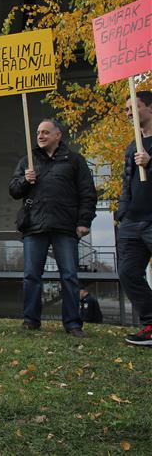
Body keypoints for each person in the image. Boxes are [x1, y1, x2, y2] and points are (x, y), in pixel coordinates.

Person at [9, 119, 97, 337]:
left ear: (58, 135)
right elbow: (13, 190)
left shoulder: (75, 161)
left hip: (65, 227)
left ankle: (73, 324)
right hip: (35, 227)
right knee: (31, 275)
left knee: (69, 275)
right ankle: (31, 320)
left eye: (46, 132)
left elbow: (87, 193)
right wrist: (24, 181)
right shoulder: (27, 162)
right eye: (38, 132)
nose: (40, 136)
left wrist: (84, 221)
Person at [115, 90, 152, 346]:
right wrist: (122, 211)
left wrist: (150, 163)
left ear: (150, 109)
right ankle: (150, 324)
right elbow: (127, 183)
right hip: (132, 222)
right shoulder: (132, 146)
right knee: (128, 272)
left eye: (134, 107)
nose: (129, 113)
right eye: (127, 109)